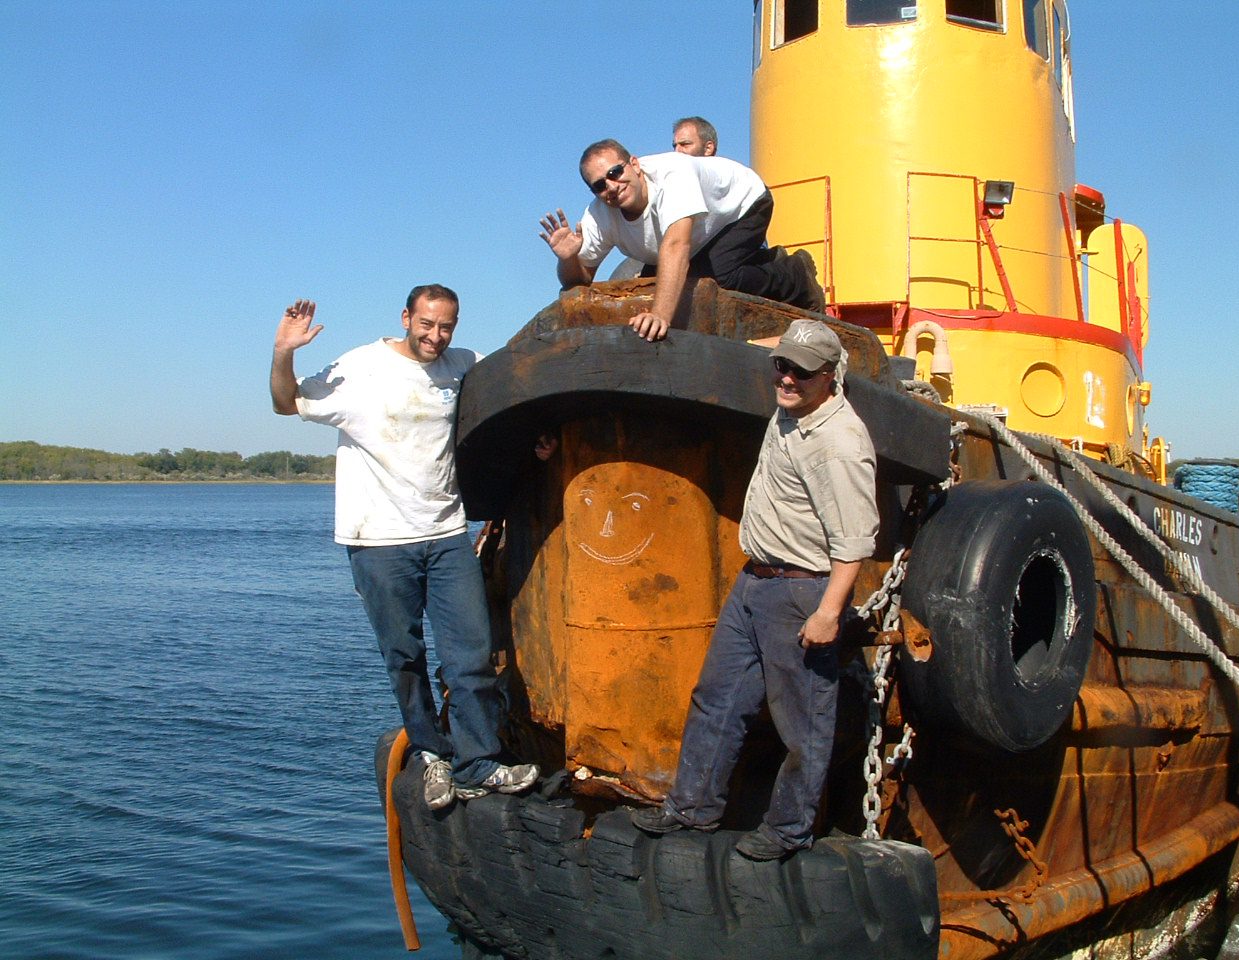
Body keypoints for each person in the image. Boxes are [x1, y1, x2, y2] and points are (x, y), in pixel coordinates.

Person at [270, 287, 538, 811]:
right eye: (426, 325)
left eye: (446, 327)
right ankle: (432, 754)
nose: (436, 337)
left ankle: (477, 764)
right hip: (378, 541)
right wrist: (284, 352)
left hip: (445, 535)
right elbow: (286, 403)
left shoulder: (463, 365)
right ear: (406, 318)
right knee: (405, 656)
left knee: (472, 655)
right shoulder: (361, 368)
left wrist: (536, 439)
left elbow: (512, 394)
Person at [630, 318, 878, 861]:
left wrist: (829, 613)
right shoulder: (795, 403)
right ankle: (691, 807)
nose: (786, 378)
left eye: (802, 372)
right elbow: (779, 353)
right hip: (755, 580)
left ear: (830, 377)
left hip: (801, 591)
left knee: (802, 721)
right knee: (717, 698)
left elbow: (855, 541)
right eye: (782, 366)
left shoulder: (838, 444)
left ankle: (790, 830)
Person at [538, 139, 825, 343]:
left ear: (634, 165)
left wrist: (661, 316)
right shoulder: (600, 214)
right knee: (651, 290)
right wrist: (568, 258)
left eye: (615, 173)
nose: (611, 186)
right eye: (599, 185)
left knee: (718, 278)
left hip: (741, 206)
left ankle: (794, 274)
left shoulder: (672, 175)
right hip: (696, 237)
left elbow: (676, 246)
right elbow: (577, 281)